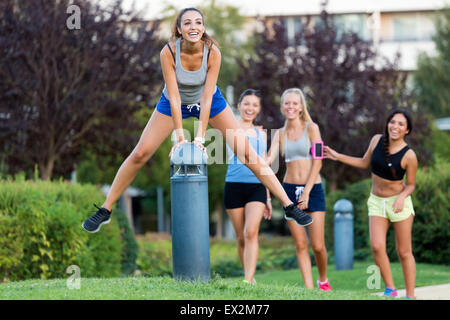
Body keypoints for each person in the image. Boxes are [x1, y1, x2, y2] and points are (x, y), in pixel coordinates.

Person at [82, 8, 312, 233]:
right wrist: (181, 137)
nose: (194, 26)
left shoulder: (213, 52)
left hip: (210, 102)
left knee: (248, 153)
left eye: (198, 22)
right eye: (188, 23)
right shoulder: (168, 52)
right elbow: (173, 96)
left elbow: (206, 96)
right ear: (180, 29)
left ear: (203, 27)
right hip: (174, 103)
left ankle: (289, 205)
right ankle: (106, 209)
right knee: (141, 152)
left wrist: (200, 137)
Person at [324, 108, 418, 299]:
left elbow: (411, 185)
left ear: (407, 130)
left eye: (401, 124)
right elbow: (364, 163)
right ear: (388, 123)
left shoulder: (409, 156)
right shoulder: (376, 140)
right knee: (376, 246)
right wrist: (338, 156)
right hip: (376, 202)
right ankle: (391, 289)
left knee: (404, 251)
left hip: (399, 204)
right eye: (393, 122)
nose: (395, 126)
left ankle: (410, 295)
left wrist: (401, 198)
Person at [267, 88, 332, 291]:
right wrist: (250, 156)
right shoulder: (279, 134)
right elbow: (268, 161)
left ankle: (322, 279)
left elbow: (319, 162)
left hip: (313, 190)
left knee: (318, 246)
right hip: (289, 191)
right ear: (282, 107)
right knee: (301, 245)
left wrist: (306, 192)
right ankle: (309, 289)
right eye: (287, 103)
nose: (291, 107)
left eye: (295, 103)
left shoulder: (312, 128)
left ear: (302, 107)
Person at [224, 89, 272, 285]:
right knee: (241, 238)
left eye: (254, 105)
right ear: (239, 106)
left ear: (258, 109)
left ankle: (248, 279)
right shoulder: (229, 129)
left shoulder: (262, 134)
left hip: (257, 188)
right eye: (246, 103)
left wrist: (268, 196)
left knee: (251, 232)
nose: (250, 108)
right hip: (233, 186)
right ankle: (249, 279)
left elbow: (263, 168)